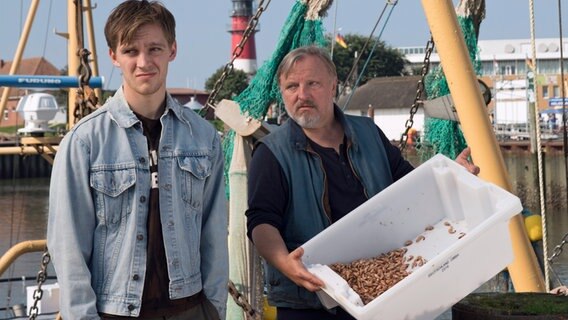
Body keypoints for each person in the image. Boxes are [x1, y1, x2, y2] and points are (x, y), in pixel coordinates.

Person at [245, 45, 479, 320]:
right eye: (291, 86)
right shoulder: (271, 152)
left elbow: (411, 184)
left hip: (382, 290)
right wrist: (285, 264)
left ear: (334, 85)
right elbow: (261, 221)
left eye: (313, 84)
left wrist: (452, 174)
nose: (302, 95)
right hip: (311, 302)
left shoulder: (368, 133)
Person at [47, 1, 228, 319]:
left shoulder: (204, 138)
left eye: (154, 48)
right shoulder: (84, 143)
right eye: (131, 50)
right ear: (114, 56)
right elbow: (68, 248)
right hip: (113, 312)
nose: (144, 62)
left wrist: (214, 308)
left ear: (172, 50)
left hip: (191, 309)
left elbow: (214, 234)